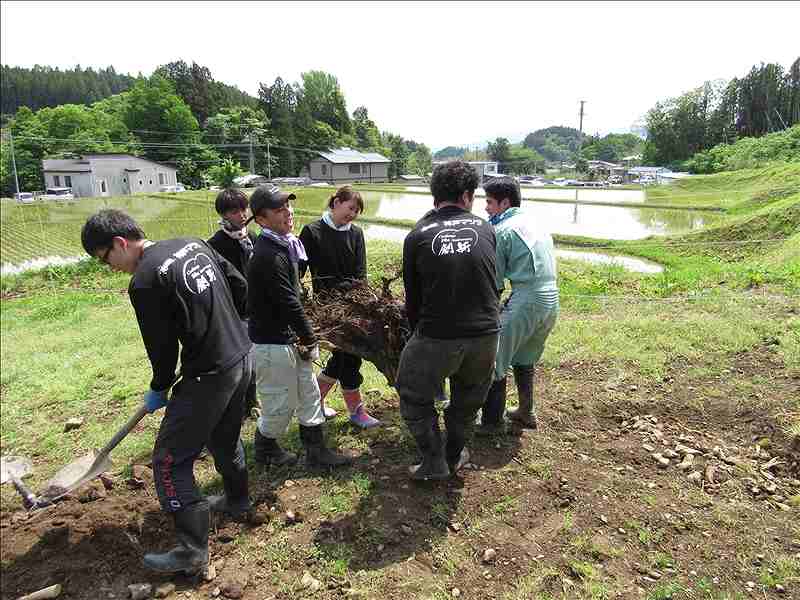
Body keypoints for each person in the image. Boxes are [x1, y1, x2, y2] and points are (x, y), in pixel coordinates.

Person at [81, 209, 253, 574]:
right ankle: (239, 501)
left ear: (119, 243)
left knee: (169, 462)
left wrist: (159, 388)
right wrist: (229, 328)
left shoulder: (144, 282)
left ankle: (192, 551)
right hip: (241, 356)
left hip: (208, 374)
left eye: (105, 259)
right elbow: (239, 283)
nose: (110, 267)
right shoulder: (192, 243)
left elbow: (162, 351)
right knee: (225, 437)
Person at [397, 160, 500, 480]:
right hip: (486, 333)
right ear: (468, 196)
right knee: (468, 398)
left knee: (414, 395)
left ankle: (433, 461)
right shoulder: (486, 228)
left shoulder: (417, 235)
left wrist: (418, 337)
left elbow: (413, 299)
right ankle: (454, 454)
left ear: (434, 196)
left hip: (437, 334)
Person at [247, 185, 351, 468]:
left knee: (309, 395)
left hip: (290, 339)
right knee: (280, 406)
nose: (288, 213)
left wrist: (304, 337)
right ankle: (266, 449)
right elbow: (288, 302)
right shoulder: (268, 255)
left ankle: (316, 452)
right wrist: (310, 339)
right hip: (273, 343)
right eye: (279, 209)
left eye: (288, 206)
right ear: (261, 219)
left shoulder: (284, 245)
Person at [477, 176, 559, 434]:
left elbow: (496, 283)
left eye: (489, 202)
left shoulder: (502, 230)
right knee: (524, 356)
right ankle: (526, 411)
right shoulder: (534, 222)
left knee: (495, 357)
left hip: (527, 299)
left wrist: (487, 314)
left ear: (504, 202)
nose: (486, 208)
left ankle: (492, 422)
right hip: (551, 298)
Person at [299, 185, 381, 429]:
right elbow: (299, 272)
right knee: (349, 357)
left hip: (353, 306)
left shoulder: (355, 233)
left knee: (347, 356)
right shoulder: (312, 232)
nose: (353, 214)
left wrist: (363, 303)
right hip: (327, 310)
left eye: (356, 211)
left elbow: (360, 274)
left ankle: (317, 401)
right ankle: (356, 412)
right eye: (350, 208)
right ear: (335, 203)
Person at [207, 188, 259, 420]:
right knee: (241, 359)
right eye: (234, 211)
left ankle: (252, 400)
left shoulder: (253, 237)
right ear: (223, 215)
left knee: (255, 358)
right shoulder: (214, 245)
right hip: (234, 311)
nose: (241, 214)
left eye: (243, 208)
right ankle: (240, 402)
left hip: (257, 306)